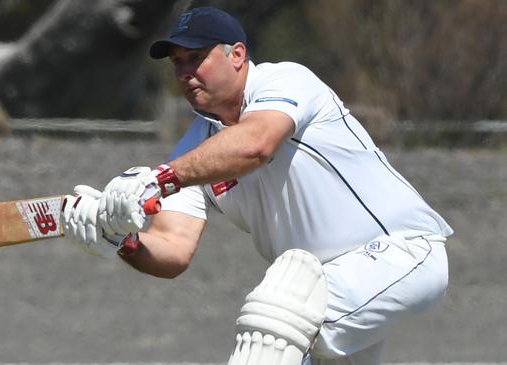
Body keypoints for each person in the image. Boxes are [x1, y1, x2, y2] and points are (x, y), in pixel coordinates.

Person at [61, 6, 453, 365]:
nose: (184, 73)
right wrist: (122, 239)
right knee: (289, 311)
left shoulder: (286, 81)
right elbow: (173, 249)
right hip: (324, 280)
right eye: (178, 63)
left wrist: (158, 180)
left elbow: (256, 144)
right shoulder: (195, 150)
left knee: (278, 310)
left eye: (196, 58)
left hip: (402, 252)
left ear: (236, 55)